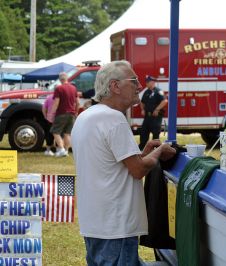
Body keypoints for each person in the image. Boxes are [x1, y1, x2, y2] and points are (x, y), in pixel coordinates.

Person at [71, 60, 176, 266]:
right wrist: (160, 151)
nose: (139, 86)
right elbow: (137, 170)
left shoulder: (86, 117)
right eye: (134, 80)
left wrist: (145, 152)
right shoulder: (114, 119)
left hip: (96, 221)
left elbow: (113, 163)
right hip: (116, 223)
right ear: (115, 86)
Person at [50, 72, 79, 157]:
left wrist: (51, 114)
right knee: (67, 134)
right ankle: (66, 151)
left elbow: (56, 103)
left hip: (61, 113)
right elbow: (77, 103)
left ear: (60, 79)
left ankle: (62, 149)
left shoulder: (59, 88)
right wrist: (76, 112)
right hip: (72, 114)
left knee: (55, 132)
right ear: (67, 78)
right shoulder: (74, 88)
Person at [139, 75, 167, 150]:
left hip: (156, 117)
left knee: (155, 136)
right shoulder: (146, 92)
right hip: (147, 117)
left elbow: (164, 101)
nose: (146, 83)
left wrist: (157, 109)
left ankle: (156, 151)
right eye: (146, 82)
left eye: (148, 82)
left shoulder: (158, 91)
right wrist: (142, 109)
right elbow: (142, 102)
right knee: (143, 134)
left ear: (153, 82)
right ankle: (142, 150)